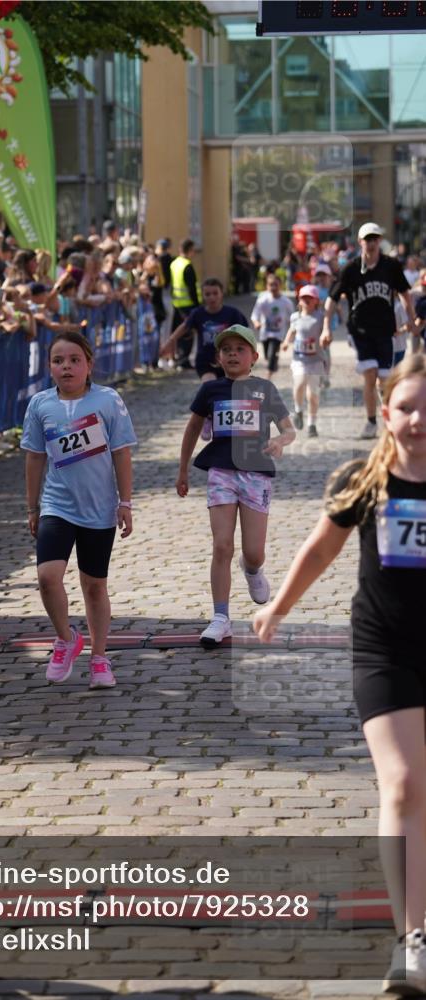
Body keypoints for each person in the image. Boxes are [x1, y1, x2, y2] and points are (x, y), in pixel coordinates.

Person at [253, 354, 426, 997]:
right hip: (384, 653)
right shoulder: (364, 481)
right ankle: (413, 938)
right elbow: (320, 548)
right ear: (385, 412)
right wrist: (277, 608)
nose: (416, 421)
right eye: (406, 407)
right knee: (405, 785)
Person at [21, 331, 136, 689]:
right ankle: (66, 639)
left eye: (74, 360)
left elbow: (121, 452)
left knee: (94, 587)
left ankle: (99, 659)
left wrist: (125, 502)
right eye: (58, 361)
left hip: (99, 508)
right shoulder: (40, 404)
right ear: (49, 367)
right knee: (47, 577)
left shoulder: (107, 400)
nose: (66, 367)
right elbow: (34, 456)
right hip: (57, 505)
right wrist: (32, 506)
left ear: (89, 365)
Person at [176, 325, 295, 646]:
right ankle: (220, 617)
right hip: (221, 473)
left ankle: (253, 570)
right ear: (218, 357)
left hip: (256, 474)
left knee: (253, 552)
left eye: (239, 349)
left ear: (254, 357)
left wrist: (280, 440)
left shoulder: (265, 389)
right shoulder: (211, 391)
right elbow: (191, 430)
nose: (232, 354)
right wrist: (183, 469)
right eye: (226, 349)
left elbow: (289, 429)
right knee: (222, 545)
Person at [322, 222, 416, 440]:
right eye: (368, 239)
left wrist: (411, 320)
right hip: (360, 330)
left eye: (375, 239)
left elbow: (404, 294)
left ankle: (390, 421)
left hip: (385, 329)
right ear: (360, 242)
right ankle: (371, 422)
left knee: (384, 379)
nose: (372, 243)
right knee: (370, 374)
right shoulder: (351, 268)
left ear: (379, 241)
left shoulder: (390, 266)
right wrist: (326, 328)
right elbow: (332, 299)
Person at [161, 278, 248, 380]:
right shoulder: (198, 314)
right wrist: (170, 341)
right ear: (203, 296)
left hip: (229, 361)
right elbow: (185, 326)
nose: (212, 297)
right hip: (205, 361)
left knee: (227, 390)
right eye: (207, 294)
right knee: (209, 384)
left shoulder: (233, 314)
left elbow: (246, 335)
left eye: (215, 293)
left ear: (222, 294)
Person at [281, 284, 326, 438]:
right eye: (303, 297)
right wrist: (286, 341)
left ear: (316, 301)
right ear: (299, 300)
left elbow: (326, 331)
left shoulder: (320, 316)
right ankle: (298, 410)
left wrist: (325, 337)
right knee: (299, 384)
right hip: (299, 359)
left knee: (313, 394)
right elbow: (292, 330)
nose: (306, 300)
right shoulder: (295, 317)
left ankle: (312, 424)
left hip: (316, 360)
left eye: (310, 298)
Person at [251, 273, 293, 380]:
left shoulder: (286, 302)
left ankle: (268, 376)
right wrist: (256, 323)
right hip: (265, 332)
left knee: (271, 354)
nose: (273, 287)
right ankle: (273, 363)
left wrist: (292, 329)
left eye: (276, 285)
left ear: (280, 286)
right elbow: (255, 314)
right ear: (267, 286)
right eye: (271, 285)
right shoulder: (263, 299)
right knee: (266, 355)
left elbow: (292, 317)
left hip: (278, 333)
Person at [170, 238, 201, 367]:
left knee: (179, 332)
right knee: (188, 333)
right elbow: (191, 288)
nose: (194, 253)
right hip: (188, 304)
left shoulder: (174, 263)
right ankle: (184, 360)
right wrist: (197, 305)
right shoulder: (187, 265)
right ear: (189, 250)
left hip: (177, 304)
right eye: (193, 250)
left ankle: (179, 358)